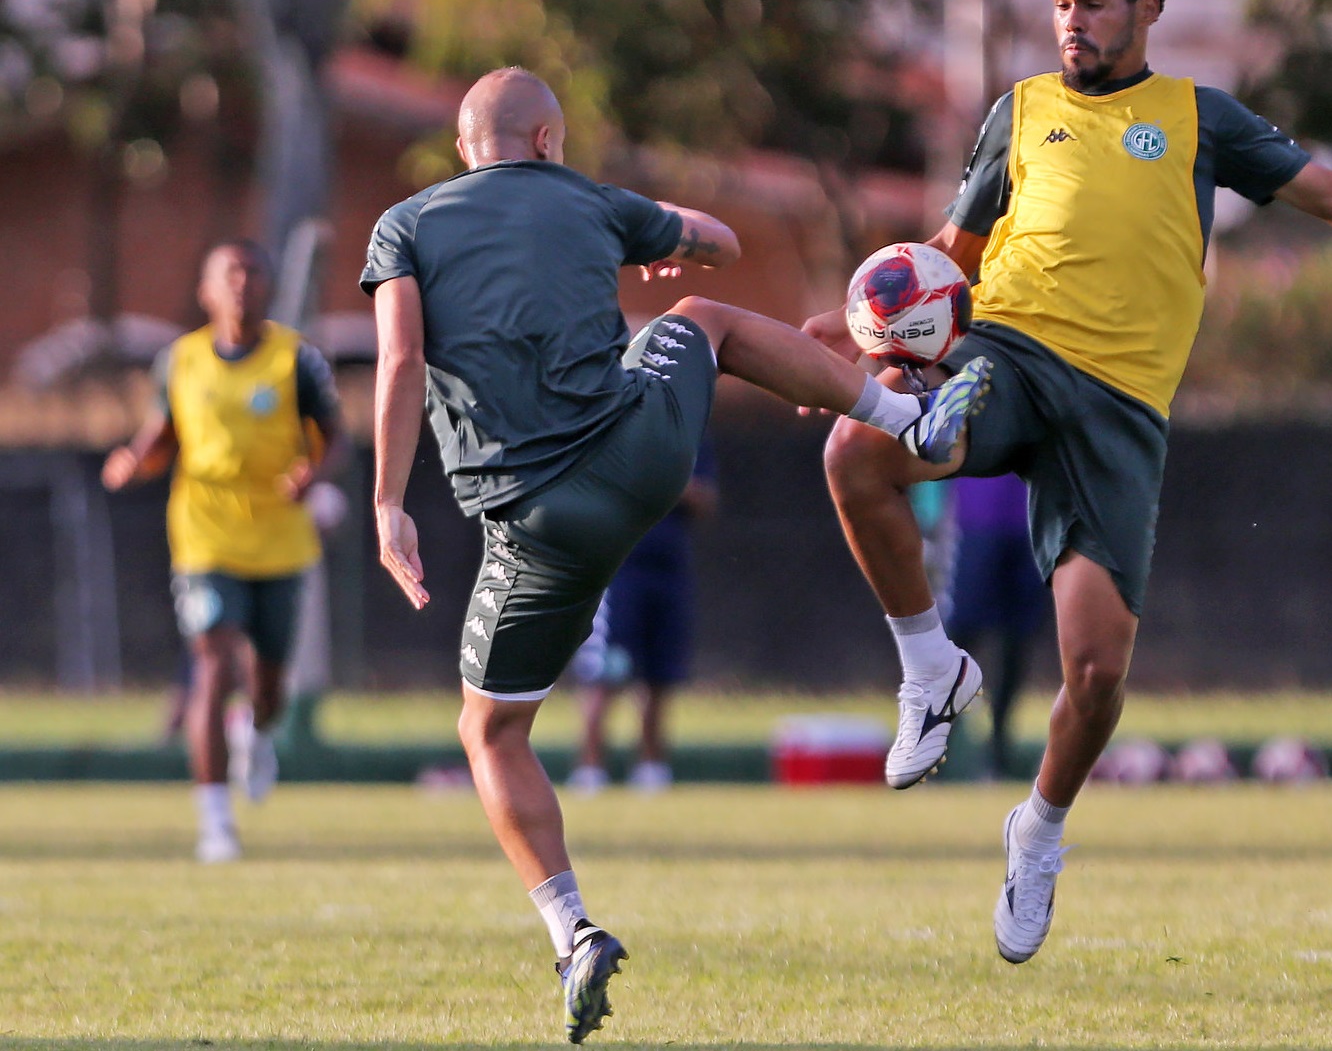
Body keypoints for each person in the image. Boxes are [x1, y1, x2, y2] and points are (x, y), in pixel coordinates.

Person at [809, 0, 1332, 963]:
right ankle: (929, 669)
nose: (1071, 22)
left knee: (1094, 674)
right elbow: (945, 259)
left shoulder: (1197, 119)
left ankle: (1038, 829)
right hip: (1006, 356)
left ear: (1147, 9)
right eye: (1060, 3)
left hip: (1122, 411)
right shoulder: (1021, 112)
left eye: (1091, 2)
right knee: (856, 453)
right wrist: (871, 333)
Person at [362, 66, 988, 1043]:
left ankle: (571, 930)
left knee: (492, 736)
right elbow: (721, 243)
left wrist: (388, 500)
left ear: (461, 149)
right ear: (548, 140)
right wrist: (653, 235)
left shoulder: (404, 224)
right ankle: (903, 417)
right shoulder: (589, 199)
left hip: (534, 525)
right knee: (704, 320)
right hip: (642, 461)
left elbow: (400, 360)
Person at [102, 239, 345, 863]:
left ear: (265, 287)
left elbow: (336, 441)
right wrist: (134, 460)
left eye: (253, 273)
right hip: (204, 532)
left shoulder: (297, 360)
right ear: (206, 290)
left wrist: (314, 477)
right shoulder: (179, 360)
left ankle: (257, 734)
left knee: (267, 684)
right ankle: (215, 821)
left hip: (281, 536)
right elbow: (161, 434)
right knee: (212, 664)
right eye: (229, 274)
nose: (242, 284)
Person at [569, 437, 719, 793]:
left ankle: (651, 767)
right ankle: (590, 768)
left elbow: (704, 497)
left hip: (669, 570)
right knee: (605, 671)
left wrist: (663, 482)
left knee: (659, 673)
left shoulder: (688, 433)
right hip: (618, 569)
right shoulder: (607, 425)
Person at [942, 474, 1051, 780]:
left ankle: (999, 749)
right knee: (962, 636)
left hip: (1035, 518)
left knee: (1017, 639)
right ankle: (933, 746)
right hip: (979, 517)